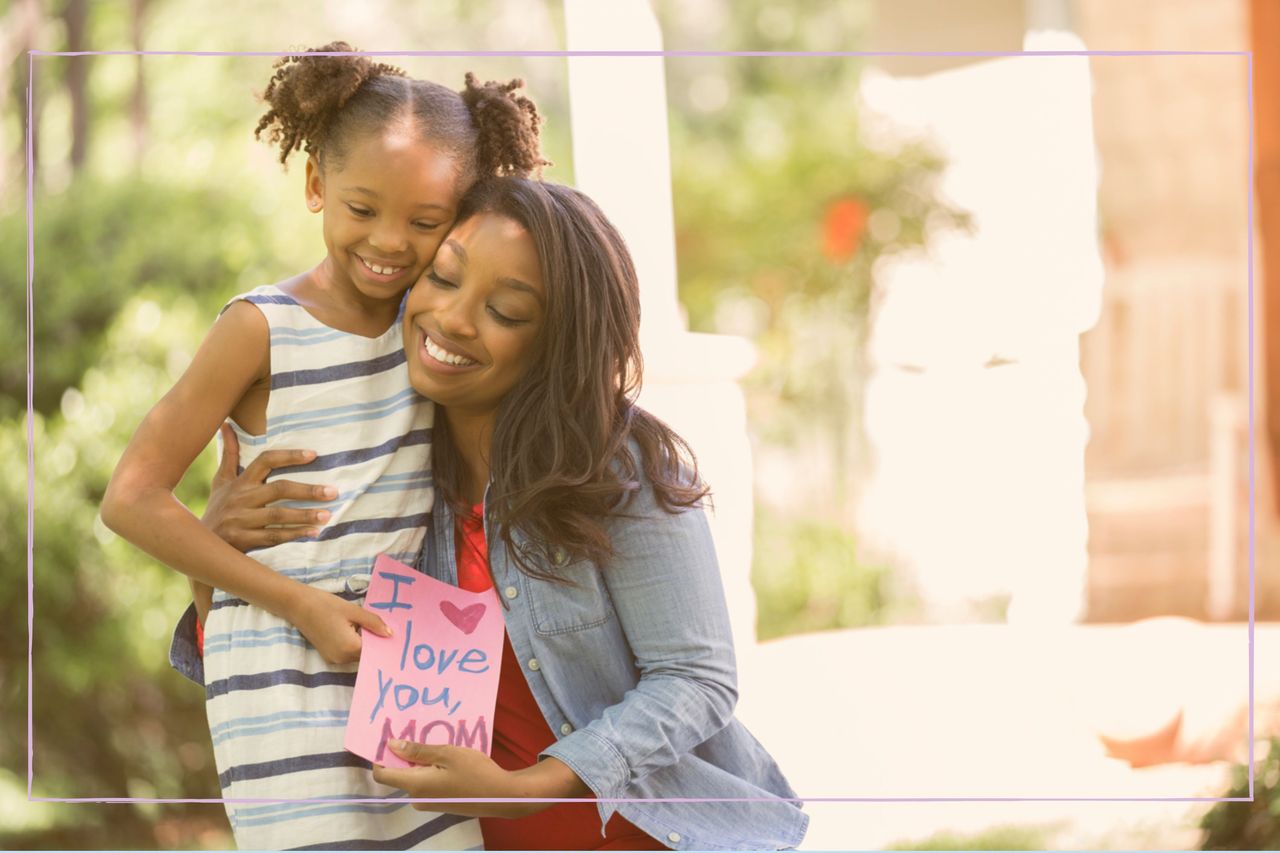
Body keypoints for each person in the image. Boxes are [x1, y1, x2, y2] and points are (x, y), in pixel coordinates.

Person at [195, 177, 809, 850]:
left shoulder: (617, 467)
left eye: (508, 311)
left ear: (558, 343)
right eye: (443, 278)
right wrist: (215, 553)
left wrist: (522, 789)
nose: (454, 319)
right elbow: (263, 663)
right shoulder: (390, 471)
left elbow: (697, 679)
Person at [102, 42, 544, 851]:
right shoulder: (261, 328)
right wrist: (296, 600)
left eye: (425, 220)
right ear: (315, 186)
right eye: (362, 208)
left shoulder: (438, 330)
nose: (389, 242)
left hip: (412, 661)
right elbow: (130, 497)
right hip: (280, 665)